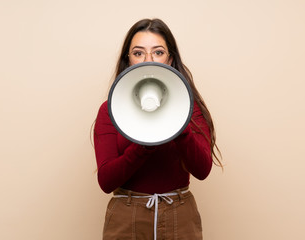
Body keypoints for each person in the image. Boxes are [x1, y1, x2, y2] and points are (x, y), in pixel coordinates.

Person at [93, 18, 222, 240]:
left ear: (170, 59)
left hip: (179, 216)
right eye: (139, 53)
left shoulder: (190, 110)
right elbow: (106, 181)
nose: (149, 59)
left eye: (158, 52)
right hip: (126, 218)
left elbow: (202, 170)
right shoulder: (109, 111)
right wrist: (144, 146)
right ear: (128, 60)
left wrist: (179, 127)